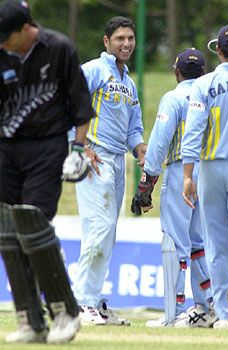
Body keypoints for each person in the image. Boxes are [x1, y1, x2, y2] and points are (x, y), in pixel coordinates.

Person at [0, 0, 93, 344]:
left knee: (33, 224)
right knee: (8, 231)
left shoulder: (58, 48)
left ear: (26, 30)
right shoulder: (2, 51)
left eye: (6, 37)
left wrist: (79, 150)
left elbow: (80, 103)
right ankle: (30, 320)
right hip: (7, 149)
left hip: (47, 147)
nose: (2, 43)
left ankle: (65, 313)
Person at [131, 48, 214, 328]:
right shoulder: (211, 95)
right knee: (201, 244)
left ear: (176, 72)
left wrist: (146, 184)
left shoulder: (174, 97)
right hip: (211, 172)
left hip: (182, 170)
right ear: (203, 73)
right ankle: (207, 307)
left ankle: (173, 312)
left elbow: (158, 145)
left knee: (175, 243)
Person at [72, 16, 147, 325]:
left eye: (130, 38)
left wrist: (140, 149)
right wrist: (79, 147)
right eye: (120, 39)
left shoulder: (128, 82)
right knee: (99, 230)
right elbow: (67, 105)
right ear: (106, 42)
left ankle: (95, 301)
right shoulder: (94, 70)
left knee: (107, 234)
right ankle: (81, 301)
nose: (126, 43)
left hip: (117, 162)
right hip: (95, 157)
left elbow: (134, 126)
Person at [182, 24, 228, 329]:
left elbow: (193, 131)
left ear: (219, 51)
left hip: (209, 168)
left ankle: (224, 313)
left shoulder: (203, 84)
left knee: (216, 242)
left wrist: (187, 175)